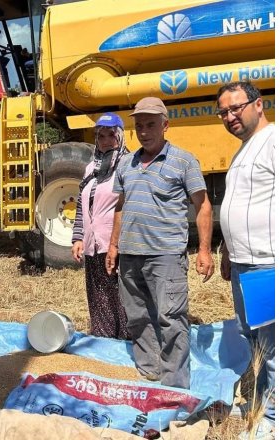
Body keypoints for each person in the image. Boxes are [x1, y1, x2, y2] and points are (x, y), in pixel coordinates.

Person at [105, 96, 215, 389]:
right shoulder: (126, 163)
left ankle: (175, 385)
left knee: (170, 318)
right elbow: (120, 206)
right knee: (138, 315)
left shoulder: (184, 160)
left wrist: (204, 250)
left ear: (165, 125)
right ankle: (149, 371)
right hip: (130, 255)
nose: (144, 130)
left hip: (165, 255)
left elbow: (203, 206)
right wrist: (114, 246)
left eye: (151, 124)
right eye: (139, 125)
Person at [215, 81, 275, 435]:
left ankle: (273, 422)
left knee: (274, 347)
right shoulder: (243, 149)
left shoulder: (275, 141)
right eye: (223, 111)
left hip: (266, 264)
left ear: (259, 104)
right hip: (243, 264)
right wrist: (227, 251)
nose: (230, 116)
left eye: (236, 107)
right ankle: (267, 402)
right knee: (257, 341)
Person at [71, 112, 131, 340]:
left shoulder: (127, 165)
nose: (106, 141)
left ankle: (127, 343)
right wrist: (78, 238)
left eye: (111, 135)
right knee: (99, 296)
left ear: (120, 136)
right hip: (93, 245)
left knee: (121, 296)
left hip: (117, 244)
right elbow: (81, 205)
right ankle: (105, 341)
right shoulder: (91, 169)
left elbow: (129, 205)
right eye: (101, 136)